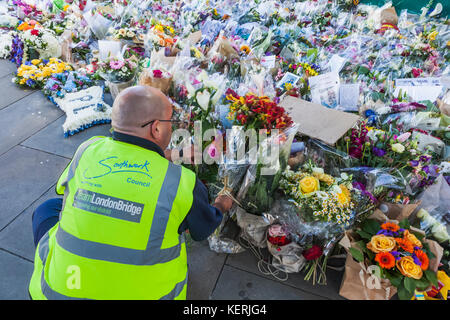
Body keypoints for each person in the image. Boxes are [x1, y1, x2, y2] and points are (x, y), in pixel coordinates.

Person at [29, 85, 233, 300]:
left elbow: (127, 157)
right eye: (171, 123)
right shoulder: (181, 182)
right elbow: (204, 228)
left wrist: (176, 153)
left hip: (57, 294)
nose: (173, 128)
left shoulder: (87, 150)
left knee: (48, 209)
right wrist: (222, 204)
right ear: (156, 128)